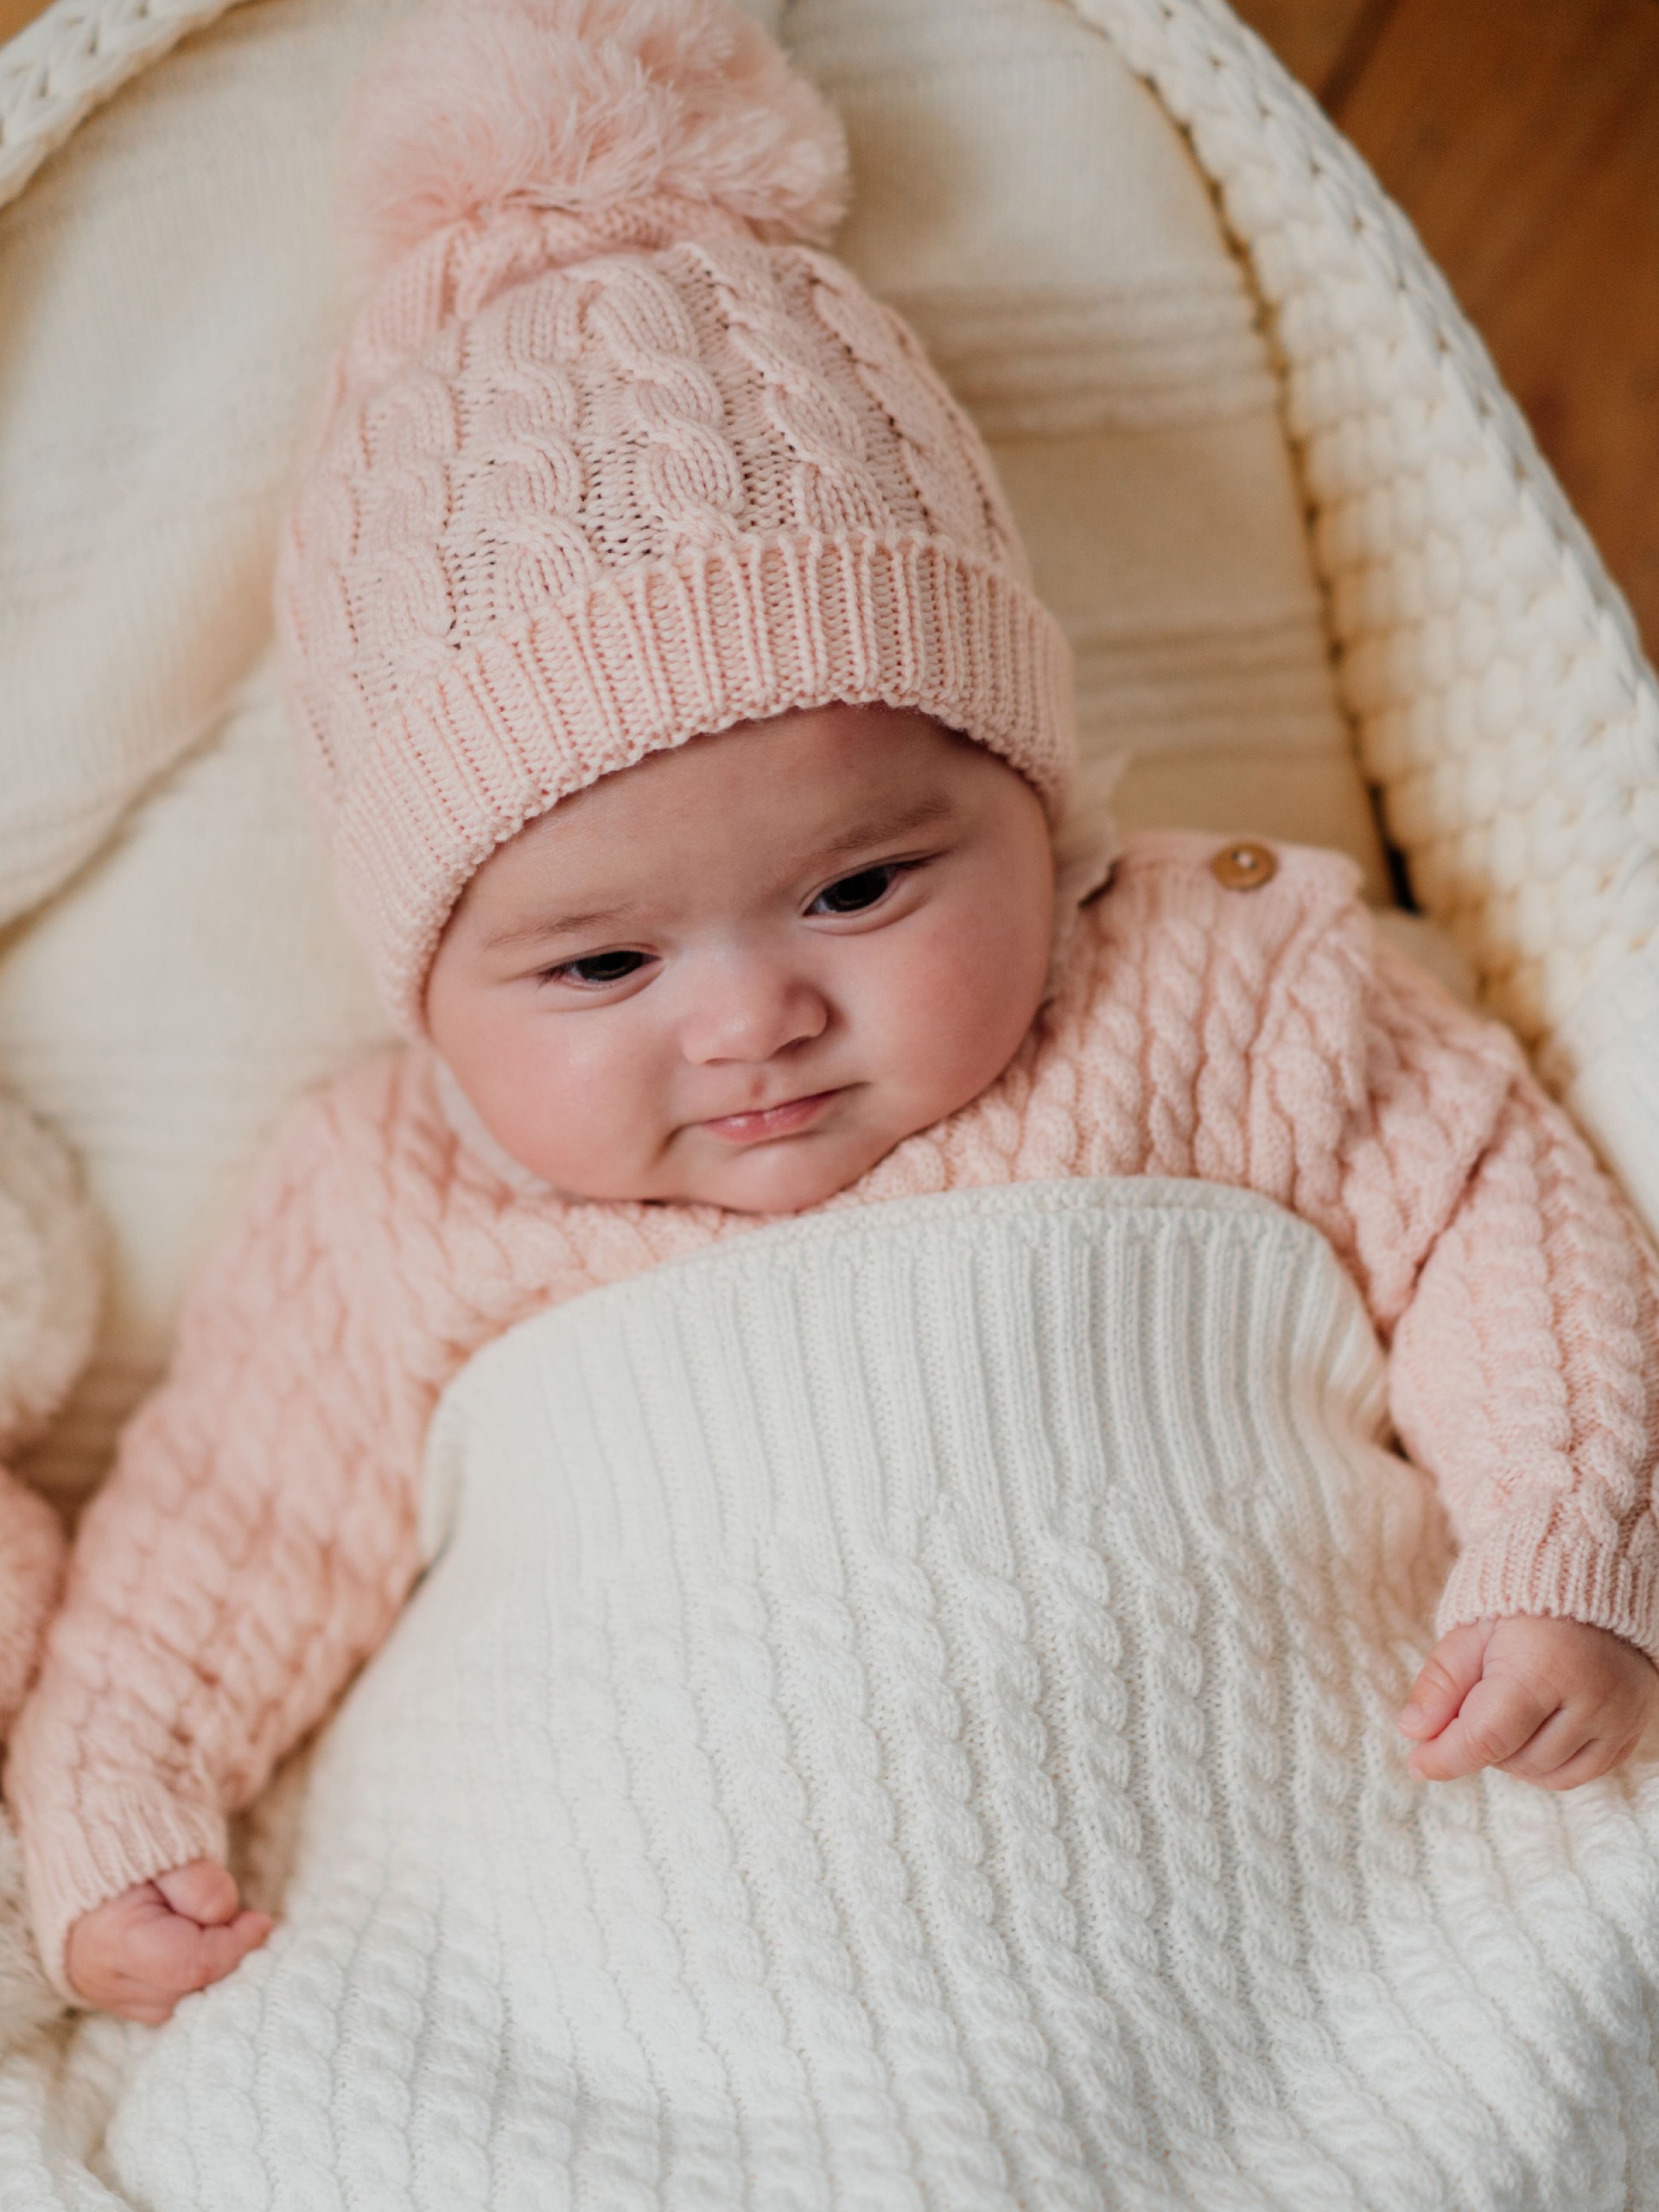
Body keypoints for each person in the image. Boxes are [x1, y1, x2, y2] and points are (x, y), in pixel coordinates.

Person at [9, 0, 1658, 2033]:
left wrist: (1565, 1539)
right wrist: (119, 1802)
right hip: (645, 1990)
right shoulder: (390, 1200)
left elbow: (1495, 1211)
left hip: (1296, 1905)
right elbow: (230, 1525)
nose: (752, 1020)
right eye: (601, 965)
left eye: (861, 888)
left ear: (1034, 801)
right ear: (425, 991)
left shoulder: (1216, 989)